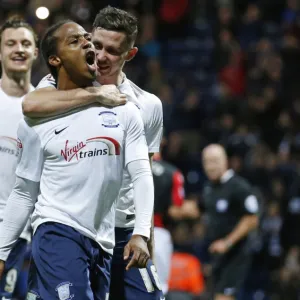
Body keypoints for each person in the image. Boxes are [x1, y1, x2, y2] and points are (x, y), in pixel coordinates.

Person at [0, 20, 154, 300]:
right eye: (75, 41)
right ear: (55, 59)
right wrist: (1, 252)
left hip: (103, 242)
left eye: (87, 38)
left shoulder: (124, 109)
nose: (87, 43)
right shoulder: (37, 121)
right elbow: (24, 193)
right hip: (56, 232)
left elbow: (142, 172)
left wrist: (141, 232)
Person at [0, 16, 38, 299]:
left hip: (17, 232)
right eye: (10, 43)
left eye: (26, 43)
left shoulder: (45, 108)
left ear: (36, 52)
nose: (19, 49)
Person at [201, 144, 260, 300]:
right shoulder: (209, 187)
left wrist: (227, 242)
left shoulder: (238, 187)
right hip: (216, 253)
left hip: (236, 253)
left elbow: (252, 219)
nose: (210, 166)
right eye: (206, 162)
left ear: (225, 161)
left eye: (214, 161)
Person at [151, 150, 185, 295]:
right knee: (159, 287)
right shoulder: (172, 173)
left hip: (125, 231)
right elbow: (175, 210)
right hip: (158, 233)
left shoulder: (125, 167)